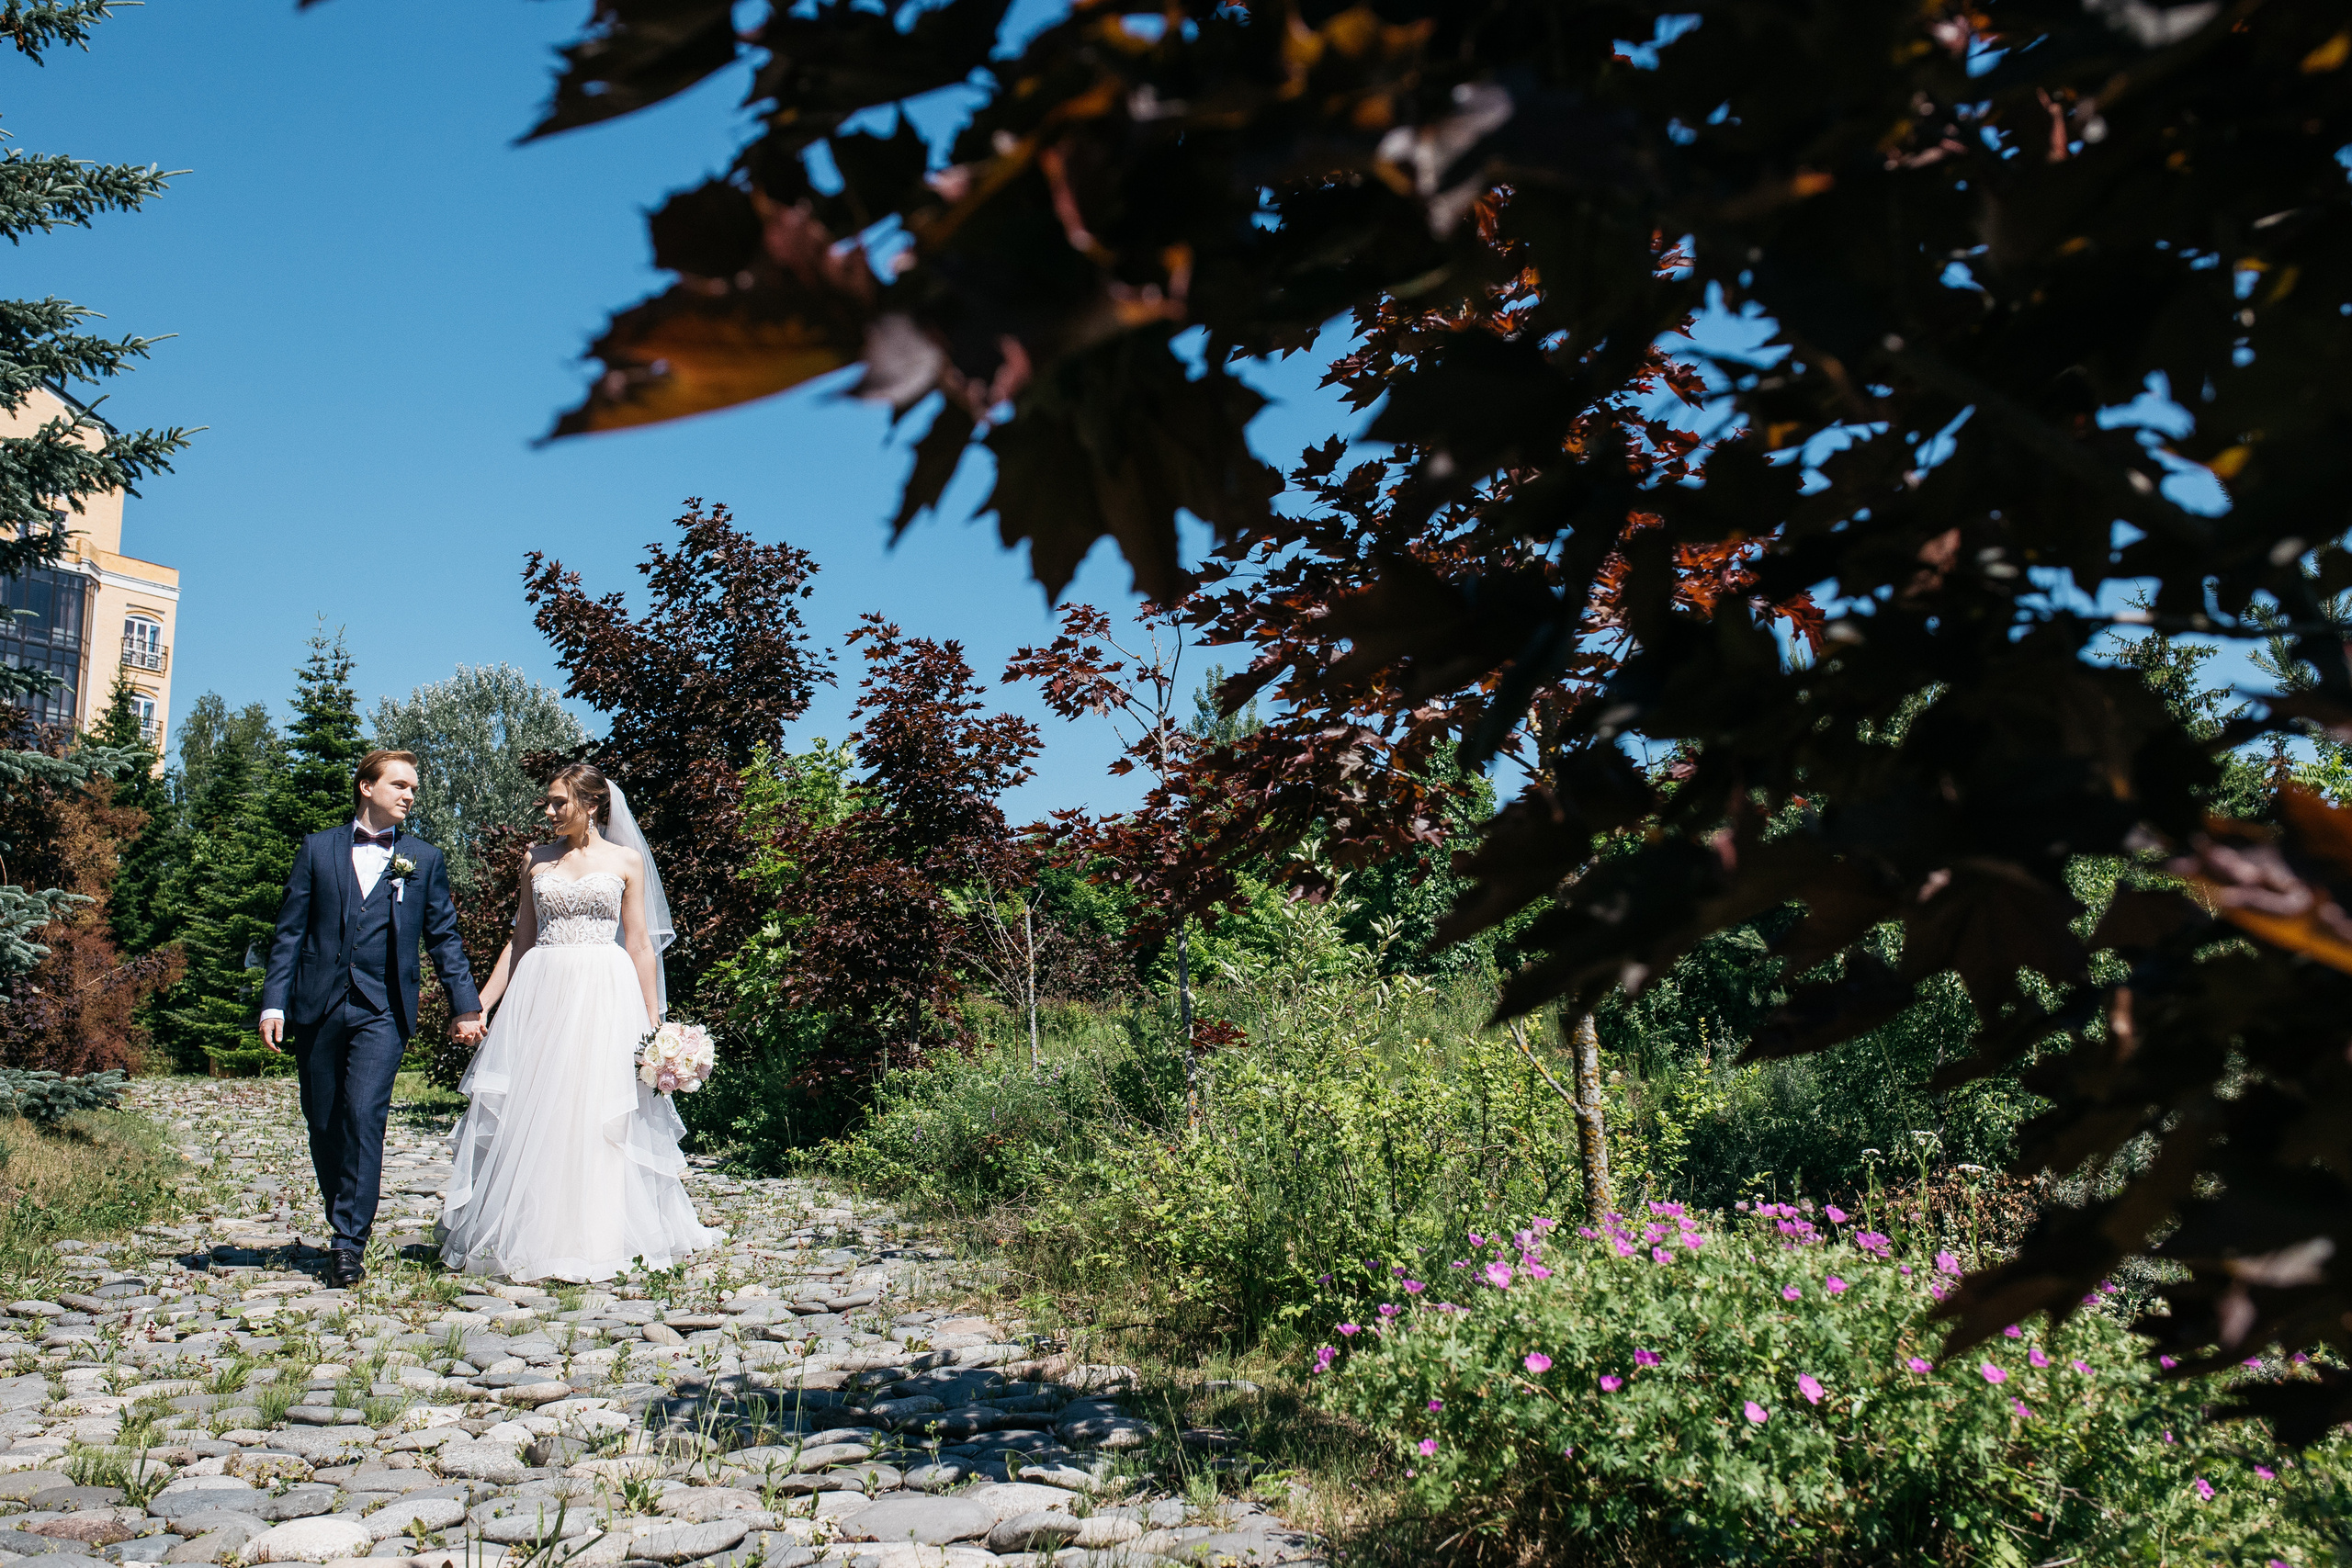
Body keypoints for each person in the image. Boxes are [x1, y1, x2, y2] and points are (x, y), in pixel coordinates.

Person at [436, 762, 713, 1282]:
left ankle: (602, 1234)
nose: (549, 811)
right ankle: (530, 1229)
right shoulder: (536, 860)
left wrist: (656, 1026)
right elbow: (519, 941)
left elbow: (638, 945)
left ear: (590, 805)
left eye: (559, 802)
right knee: (540, 1103)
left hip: (605, 993)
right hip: (541, 991)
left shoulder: (626, 860)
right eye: (549, 801)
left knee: (596, 1106)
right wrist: (480, 1006)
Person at [260, 750, 483, 1289]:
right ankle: (343, 1208)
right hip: (317, 1005)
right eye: (399, 785)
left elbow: (444, 938)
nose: (409, 795)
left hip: (382, 1009)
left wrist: (465, 1004)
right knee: (323, 1119)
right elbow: (290, 932)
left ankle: (347, 1242)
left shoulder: (423, 860)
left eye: (413, 788)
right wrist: (274, 1001)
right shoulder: (317, 849)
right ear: (366, 786)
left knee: (364, 1115)